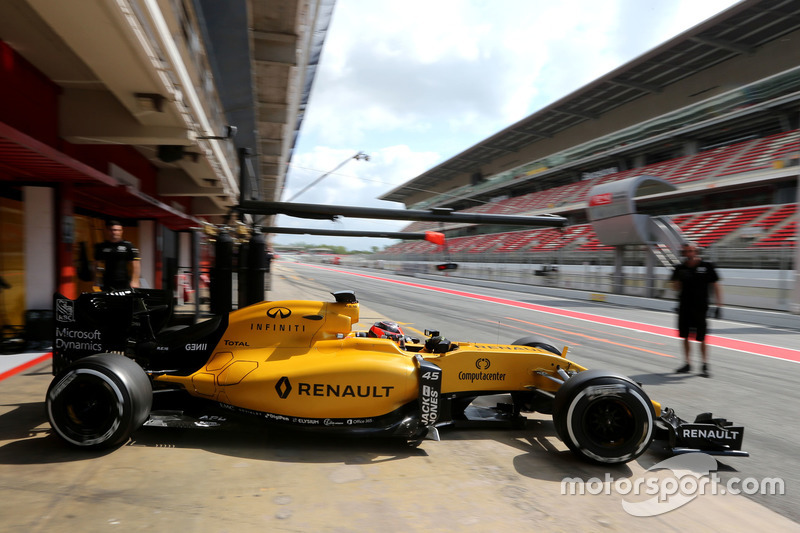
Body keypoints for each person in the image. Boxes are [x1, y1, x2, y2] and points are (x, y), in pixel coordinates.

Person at [670, 242, 722, 378]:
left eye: (692, 251)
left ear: (696, 252)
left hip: (701, 308)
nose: (689, 253)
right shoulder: (679, 268)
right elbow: (674, 288)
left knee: (701, 337)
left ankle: (704, 365)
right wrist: (677, 279)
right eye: (686, 251)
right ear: (683, 253)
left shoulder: (707, 266)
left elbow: (716, 286)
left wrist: (719, 305)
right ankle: (687, 363)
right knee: (685, 336)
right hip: (684, 307)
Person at [94, 220, 141, 291]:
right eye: (112, 230)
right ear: (108, 231)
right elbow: (95, 264)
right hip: (107, 281)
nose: (115, 232)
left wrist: (135, 280)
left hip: (123, 282)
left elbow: (136, 264)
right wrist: (96, 280)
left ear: (121, 231)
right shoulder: (102, 246)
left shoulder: (128, 246)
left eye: (117, 230)